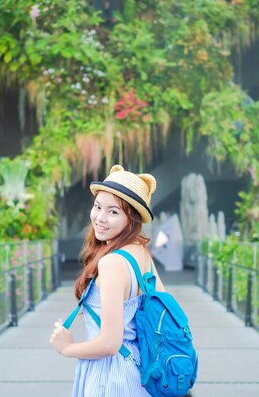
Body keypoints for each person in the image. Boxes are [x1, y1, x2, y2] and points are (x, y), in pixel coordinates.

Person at [50, 164, 166, 397]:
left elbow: (109, 344)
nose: (100, 218)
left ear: (131, 219)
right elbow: (163, 309)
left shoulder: (112, 263)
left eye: (113, 212)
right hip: (139, 374)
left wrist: (67, 347)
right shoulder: (141, 253)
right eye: (98, 207)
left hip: (111, 379)